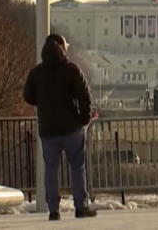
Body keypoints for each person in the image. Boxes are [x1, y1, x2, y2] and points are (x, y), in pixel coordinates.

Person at [23, 34, 98, 221]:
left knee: (51, 169)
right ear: (63, 48)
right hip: (71, 126)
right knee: (77, 166)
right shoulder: (71, 70)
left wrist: (41, 102)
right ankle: (80, 206)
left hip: (48, 129)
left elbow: (27, 96)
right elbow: (85, 94)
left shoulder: (36, 73)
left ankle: (53, 210)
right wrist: (83, 117)